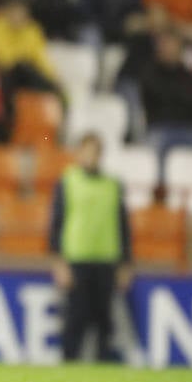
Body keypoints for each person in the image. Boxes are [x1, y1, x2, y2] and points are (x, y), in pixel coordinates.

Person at [49, 133, 132, 362]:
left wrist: (125, 263)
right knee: (75, 318)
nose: (91, 156)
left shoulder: (113, 185)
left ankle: (103, 365)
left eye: (95, 151)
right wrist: (58, 262)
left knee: (104, 320)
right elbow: (56, 223)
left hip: (106, 259)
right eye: (87, 150)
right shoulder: (67, 181)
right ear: (78, 153)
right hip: (77, 258)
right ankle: (68, 365)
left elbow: (123, 225)